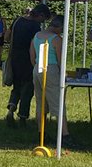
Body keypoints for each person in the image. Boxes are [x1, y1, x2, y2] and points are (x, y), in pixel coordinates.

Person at [31, 15, 76, 148]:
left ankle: (41, 133)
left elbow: (32, 55)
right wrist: (64, 74)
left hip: (37, 68)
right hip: (51, 70)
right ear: (60, 27)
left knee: (41, 103)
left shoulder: (37, 35)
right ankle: (65, 135)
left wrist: (36, 66)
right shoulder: (56, 39)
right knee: (57, 102)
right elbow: (60, 59)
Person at [6, 4, 50, 128]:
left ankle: (11, 109)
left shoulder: (17, 20)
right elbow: (34, 45)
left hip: (15, 58)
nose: (43, 22)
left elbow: (7, 36)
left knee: (16, 86)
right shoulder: (35, 26)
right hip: (28, 60)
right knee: (28, 89)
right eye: (44, 19)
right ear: (40, 15)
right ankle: (23, 117)